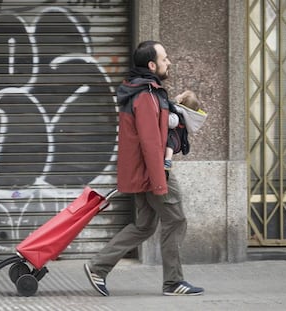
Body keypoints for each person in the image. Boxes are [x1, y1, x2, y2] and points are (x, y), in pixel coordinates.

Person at [84, 40, 204, 296]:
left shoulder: (140, 91)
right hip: (155, 170)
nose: (168, 62)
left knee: (144, 226)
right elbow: (150, 143)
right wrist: (159, 180)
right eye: (164, 58)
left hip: (144, 171)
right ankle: (173, 282)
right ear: (152, 65)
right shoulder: (146, 95)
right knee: (176, 219)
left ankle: (98, 267)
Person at [164, 90, 207, 170]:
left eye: (181, 94)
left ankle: (168, 160)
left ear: (181, 100)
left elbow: (173, 122)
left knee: (169, 141)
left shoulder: (178, 111)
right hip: (178, 142)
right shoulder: (186, 115)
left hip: (172, 141)